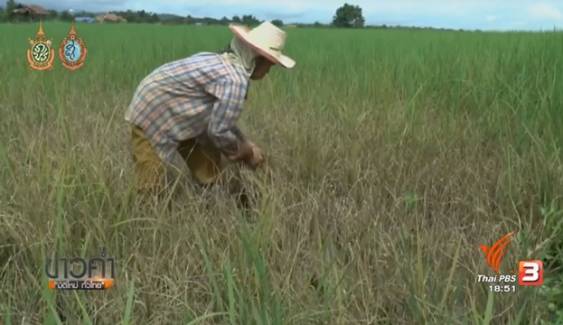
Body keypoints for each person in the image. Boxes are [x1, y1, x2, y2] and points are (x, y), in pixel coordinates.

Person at [125, 21, 295, 194]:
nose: (268, 71)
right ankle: (146, 213)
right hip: (153, 111)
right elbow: (218, 131)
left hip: (179, 111)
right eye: (269, 65)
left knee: (207, 164)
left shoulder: (221, 62)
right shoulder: (235, 80)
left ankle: (213, 196)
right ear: (257, 58)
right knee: (151, 182)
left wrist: (245, 143)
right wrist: (247, 153)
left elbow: (223, 119)